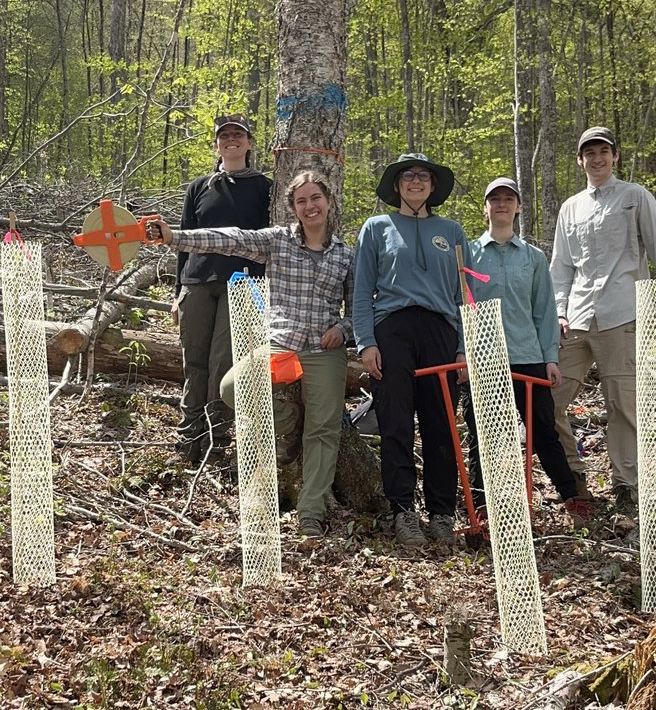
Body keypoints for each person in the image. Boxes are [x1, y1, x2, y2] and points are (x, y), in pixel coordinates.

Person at [148, 171, 353, 538]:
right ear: (293, 208)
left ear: (328, 201)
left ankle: (311, 513)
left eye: (315, 198)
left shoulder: (345, 256)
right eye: (301, 201)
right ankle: (286, 427)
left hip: (323, 351)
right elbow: (230, 239)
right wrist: (174, 237)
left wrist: (343, 329)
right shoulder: (277, 241)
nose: (310, 207)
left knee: (324, 431)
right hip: (278, 345)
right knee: (232, 388)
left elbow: (357, 311)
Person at [549, 126, 656, 513]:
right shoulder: (570, 207)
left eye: (603, 151)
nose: (596, 158)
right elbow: (561, 266)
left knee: (622, 406)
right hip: (576, 319)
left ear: (614, 157)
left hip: (624, 314)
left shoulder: (635, 197)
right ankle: (573, 476)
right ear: (580, 160)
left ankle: (627, 487)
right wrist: (557, 311)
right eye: (589, 153)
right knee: (548, 401)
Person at [353, 152, 470, 548]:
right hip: (392, 331)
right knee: (396, 423)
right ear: (397, 185)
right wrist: (366, 342)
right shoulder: (376, 228)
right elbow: (362, 292)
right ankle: (403, 510)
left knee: (441, 424)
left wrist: (462, 347)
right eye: (408, 176)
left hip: (440, 331)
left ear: (433, 185)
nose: (416, 182)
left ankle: (441, 513)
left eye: (423, 176)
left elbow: (464, 295)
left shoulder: (451, 232)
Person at [463, 177, 593, 525]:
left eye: (509, 199)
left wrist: (550, 357)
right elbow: (459, 307)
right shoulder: (468, 254)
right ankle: (484, 508)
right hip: (484, 358)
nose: (501, 205)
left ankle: (571, 497)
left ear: (518, 207)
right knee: (484, 436)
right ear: (485, 208)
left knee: (544, 432)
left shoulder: (534, 258)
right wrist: (462, 352)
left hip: (528, 357)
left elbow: (544, 312)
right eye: (495, 199)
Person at [173, 113, 272, 463]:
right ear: (216, 144)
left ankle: (217, 441)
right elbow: (183, 241)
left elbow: (270, 243)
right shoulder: (199, 187)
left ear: (249, 142)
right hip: (197, 283)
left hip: (242, 286)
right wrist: (178, 293)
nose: (231, 140)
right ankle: (188, 440)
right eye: (224, 136)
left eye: (238, 135)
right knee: (194, 363)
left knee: (223, 364)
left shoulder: (265, 187)